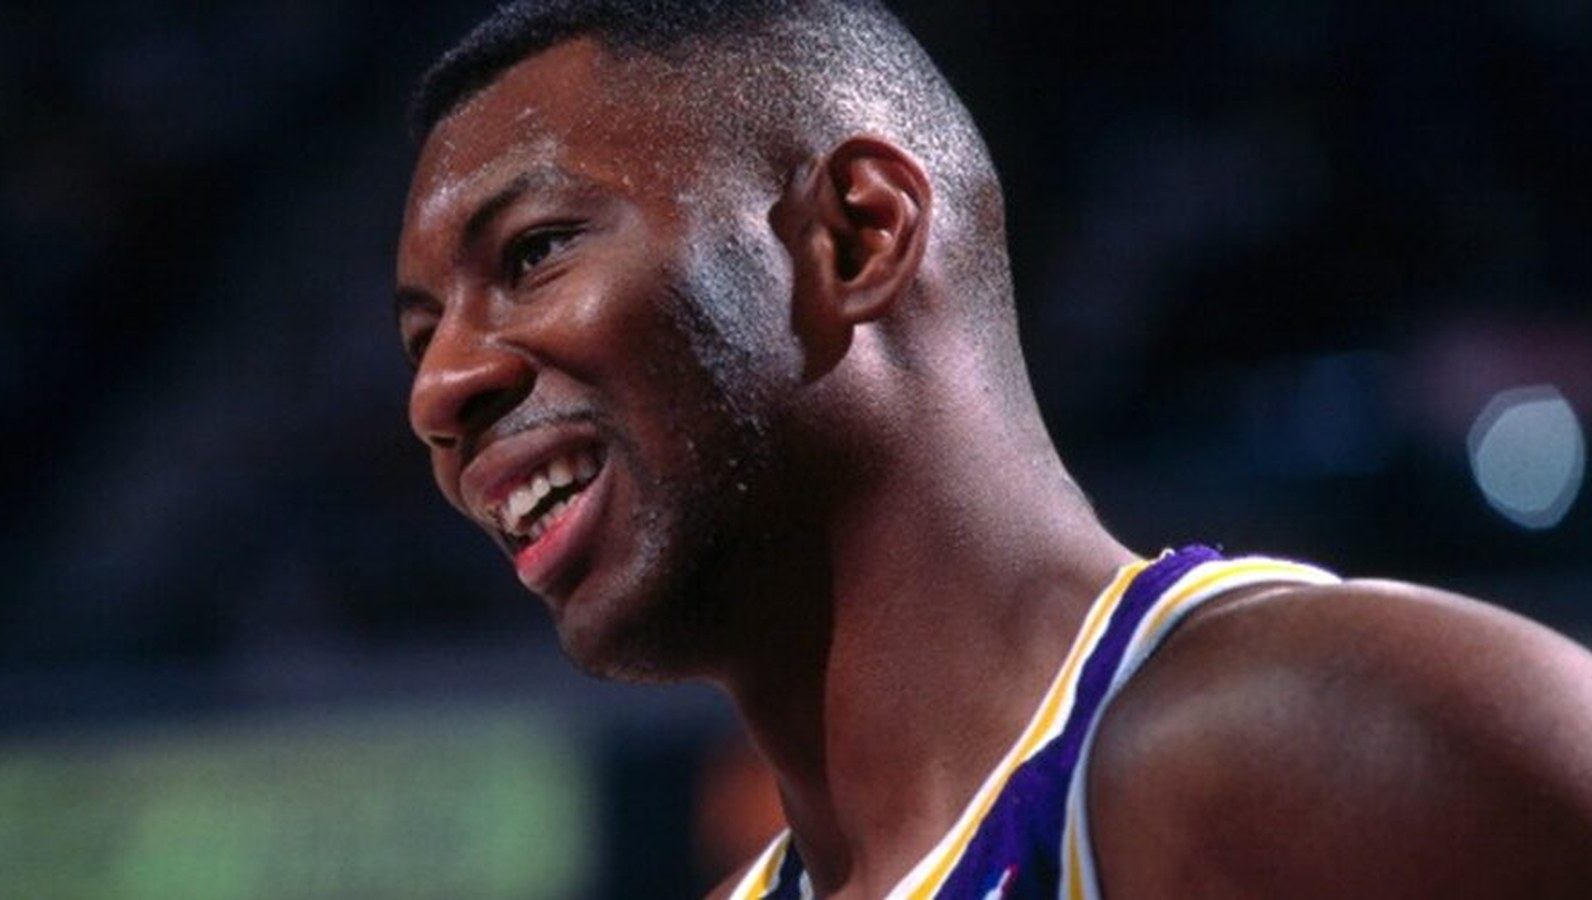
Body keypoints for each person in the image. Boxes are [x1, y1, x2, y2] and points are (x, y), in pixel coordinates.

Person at [392, 1, 1592, 896]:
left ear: (857, 237)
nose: (441, 390)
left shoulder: (1312, 739)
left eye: (534, 253)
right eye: (419, 334)